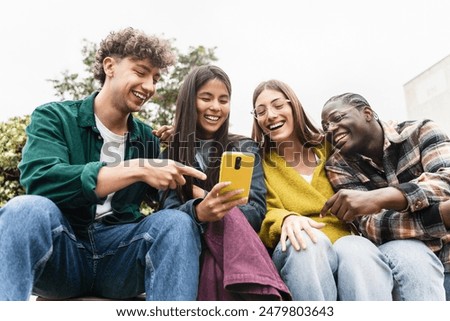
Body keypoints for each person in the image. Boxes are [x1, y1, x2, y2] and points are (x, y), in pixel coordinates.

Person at [0, 27, 208, 301]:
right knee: (25, 209)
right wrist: (137, 169)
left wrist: (203, 197)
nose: (150, 86)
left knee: (178, 223)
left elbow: (165, 196)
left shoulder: (146, 138)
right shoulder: (54, 117)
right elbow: (42, 179)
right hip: (64, 253)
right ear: (109, 66)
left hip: (120, 257)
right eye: (141, 72)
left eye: (155, 78)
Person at [251, 79, 397, 300]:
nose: (270, 115)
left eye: (278, 105)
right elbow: (260, 211)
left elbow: (370, 149)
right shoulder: (259, 162)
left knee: (356, 249)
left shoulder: (330, 145)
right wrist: (285, 218)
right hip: (297, 246)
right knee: (308, 244)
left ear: (294, 107)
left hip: (346, 238)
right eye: (260, 112)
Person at [158, 65, 290, 300]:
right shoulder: (169, 157)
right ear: (190, 101)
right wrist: (199, 211)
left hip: (236, 252)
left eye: (223, 100)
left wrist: (209, 200)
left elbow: (257, 212)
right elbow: (168, 216)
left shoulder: (244, 147)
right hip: (192, 254)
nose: (216, 107)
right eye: (206, 98)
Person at [320, 92, 448, 300]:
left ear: (367, 113)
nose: (331, 129)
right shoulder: (338, 166)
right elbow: (371, 227)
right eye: (325, 126)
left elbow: (447, 180)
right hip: (403, 266)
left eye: (337, 118)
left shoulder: (420, 131)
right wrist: (441, 215)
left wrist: (382, 198)